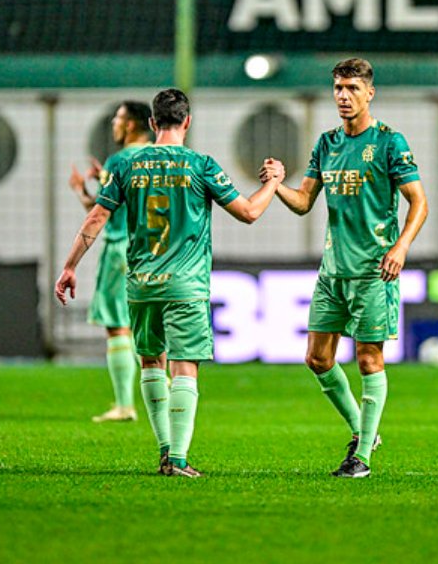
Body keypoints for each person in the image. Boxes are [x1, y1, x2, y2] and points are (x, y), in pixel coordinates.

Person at [55, 88, 283, 477]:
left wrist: (70, 265)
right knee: (185, 367)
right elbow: (248, 213)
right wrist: (273, 183)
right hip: (185, 284)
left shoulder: (128, 165)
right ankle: (177, 458)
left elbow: (96, 219)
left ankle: (164, 450)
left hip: (141, 282)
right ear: (188, 122)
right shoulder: (201, 165)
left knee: (151, 362)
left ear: (152, 123)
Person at [267, 57, 428, 479]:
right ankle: (363, 430)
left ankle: (362, 459)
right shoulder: (327, 143)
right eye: (338, 88)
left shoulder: (390, 142)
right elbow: (304, 203)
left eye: (352, 88)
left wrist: (401, 247)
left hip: (374, 270)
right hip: (332, 271)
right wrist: (275, 185)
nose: (343, 96)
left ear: (369, 93)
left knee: (369, 360)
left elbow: (419, 201)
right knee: (317, 358)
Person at [69, 101, 153, 422]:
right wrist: (92, 186)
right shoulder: (157, 159)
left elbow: (103, 212)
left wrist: (82, 191)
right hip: (154, 251)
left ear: (131, 125)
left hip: (121, 249)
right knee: (148, 327)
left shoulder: (120, 160)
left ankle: (124, 405)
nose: (114, 125)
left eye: (118, 119)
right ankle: (166, 387)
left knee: (118, 326)